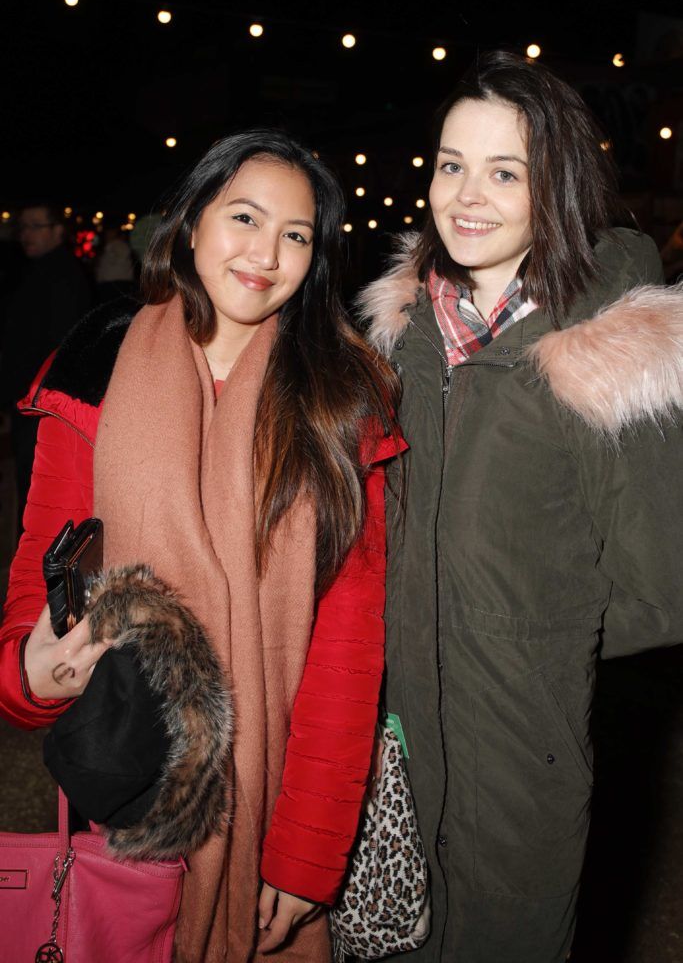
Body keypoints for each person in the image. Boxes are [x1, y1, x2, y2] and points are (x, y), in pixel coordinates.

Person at [0, 131, 401, 962]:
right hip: (131, 796)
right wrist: (27, 677)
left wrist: (306, 857)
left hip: (272, 813)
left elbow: (346, 651)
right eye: (245, 218)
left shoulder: (340, 398)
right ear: (189, 225)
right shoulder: (95, 363)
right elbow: (40, 569)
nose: (267, 253)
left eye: (296, 234)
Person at [357, 50, 683, 963]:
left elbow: (660, 589)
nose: (467, 193)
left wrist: (523, 634)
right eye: (451, 164)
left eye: (506, 171)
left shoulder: (614, 351)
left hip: (524, 748)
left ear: (560, 185)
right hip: (397, 735)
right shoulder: (403, 340)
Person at [0, 202, 91, 531]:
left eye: (35, 226)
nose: (25, 234)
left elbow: (59, 346)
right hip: (30, 400)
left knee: (38, 492)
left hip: (43, 406)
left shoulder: (62, 276)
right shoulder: (33, 269)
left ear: (57, 231)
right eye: (22, 227)